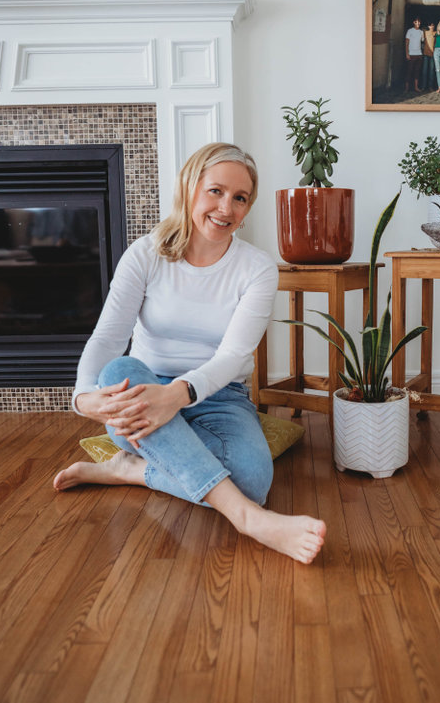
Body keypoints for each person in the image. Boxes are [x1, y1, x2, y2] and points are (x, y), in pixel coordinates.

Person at [53, 143, 326, 565]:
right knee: (119, 368)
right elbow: (108, 338)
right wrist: (82, 396)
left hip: (220, 395)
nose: (226, 208)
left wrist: (176, 396)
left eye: (240, 198)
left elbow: (233, 356)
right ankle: (248, 518)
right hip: (144, 390)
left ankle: (132, 470)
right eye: (216, 191)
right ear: (189, 187)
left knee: (252, 481)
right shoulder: (145, 255)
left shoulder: (256, 268)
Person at [404, 17, 424, 92]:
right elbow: (406, 43)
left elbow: (423, 42)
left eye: (419, 22)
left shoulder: (421, 32)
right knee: (409, 71)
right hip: (411, 54)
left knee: (417, 71)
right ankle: (406, 88)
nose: (418, 23)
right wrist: (407, 53)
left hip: (419, 54)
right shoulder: (410, 31)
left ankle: (416, 87)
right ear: (414, 22)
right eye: (416, 22)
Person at [420, 21, 437, 91]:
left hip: (433, 54)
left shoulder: (435, 33)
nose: (431, 27)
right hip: (426, 54)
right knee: (424, 71)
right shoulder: (425, 32)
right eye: (430, 25)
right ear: (428, 26)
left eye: (433, 25)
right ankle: (423, 86)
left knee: (431, 71)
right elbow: (421, 40)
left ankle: (430, 86)